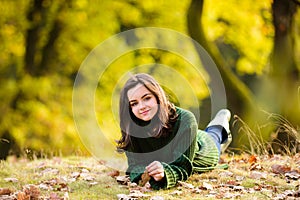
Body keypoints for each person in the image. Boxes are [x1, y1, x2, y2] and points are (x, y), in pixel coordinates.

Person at [117, 73, 232, 190]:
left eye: (147, 98)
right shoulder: (131, 127)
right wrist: (144, 175)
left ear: (157, 97)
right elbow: (135, 165)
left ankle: (221, 123)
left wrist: (164, 173)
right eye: (134, 103)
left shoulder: (186, 119)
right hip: (189, 136)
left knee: (214, 135)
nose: (141, 106)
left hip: (203, 149)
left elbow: (182, 167)